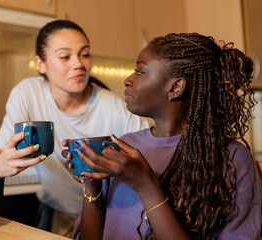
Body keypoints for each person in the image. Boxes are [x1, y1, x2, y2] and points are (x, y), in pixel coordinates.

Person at [66, 33, 262, 239]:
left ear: (175, 87)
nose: (127, 80)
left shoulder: (232, 159)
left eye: (140, 71)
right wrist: (92, 184)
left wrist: (146, 185)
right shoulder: (124, 146)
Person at [0, 19, 149, 237]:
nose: (78, 63)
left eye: (85, 54)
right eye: (65, 56)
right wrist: (1, 164)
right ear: (40, 63)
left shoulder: (113, 107)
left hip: (108, 214)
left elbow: (148, 154)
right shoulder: (28, 93)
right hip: (58, 212)